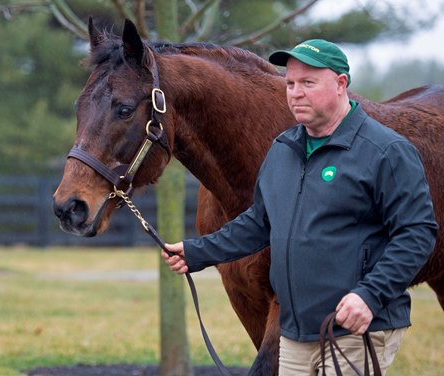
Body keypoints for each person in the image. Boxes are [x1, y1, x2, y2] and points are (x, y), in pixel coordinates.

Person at [162, 39, 438, 375]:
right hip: (295, 331)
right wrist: (198, 252)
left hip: (357, 327)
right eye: (290, 83)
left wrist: (369, 295)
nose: (295, 93)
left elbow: (417, 233)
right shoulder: (284, 149)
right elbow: (260, 222)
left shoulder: (386, 150)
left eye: (308, 83)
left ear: (341, 85)